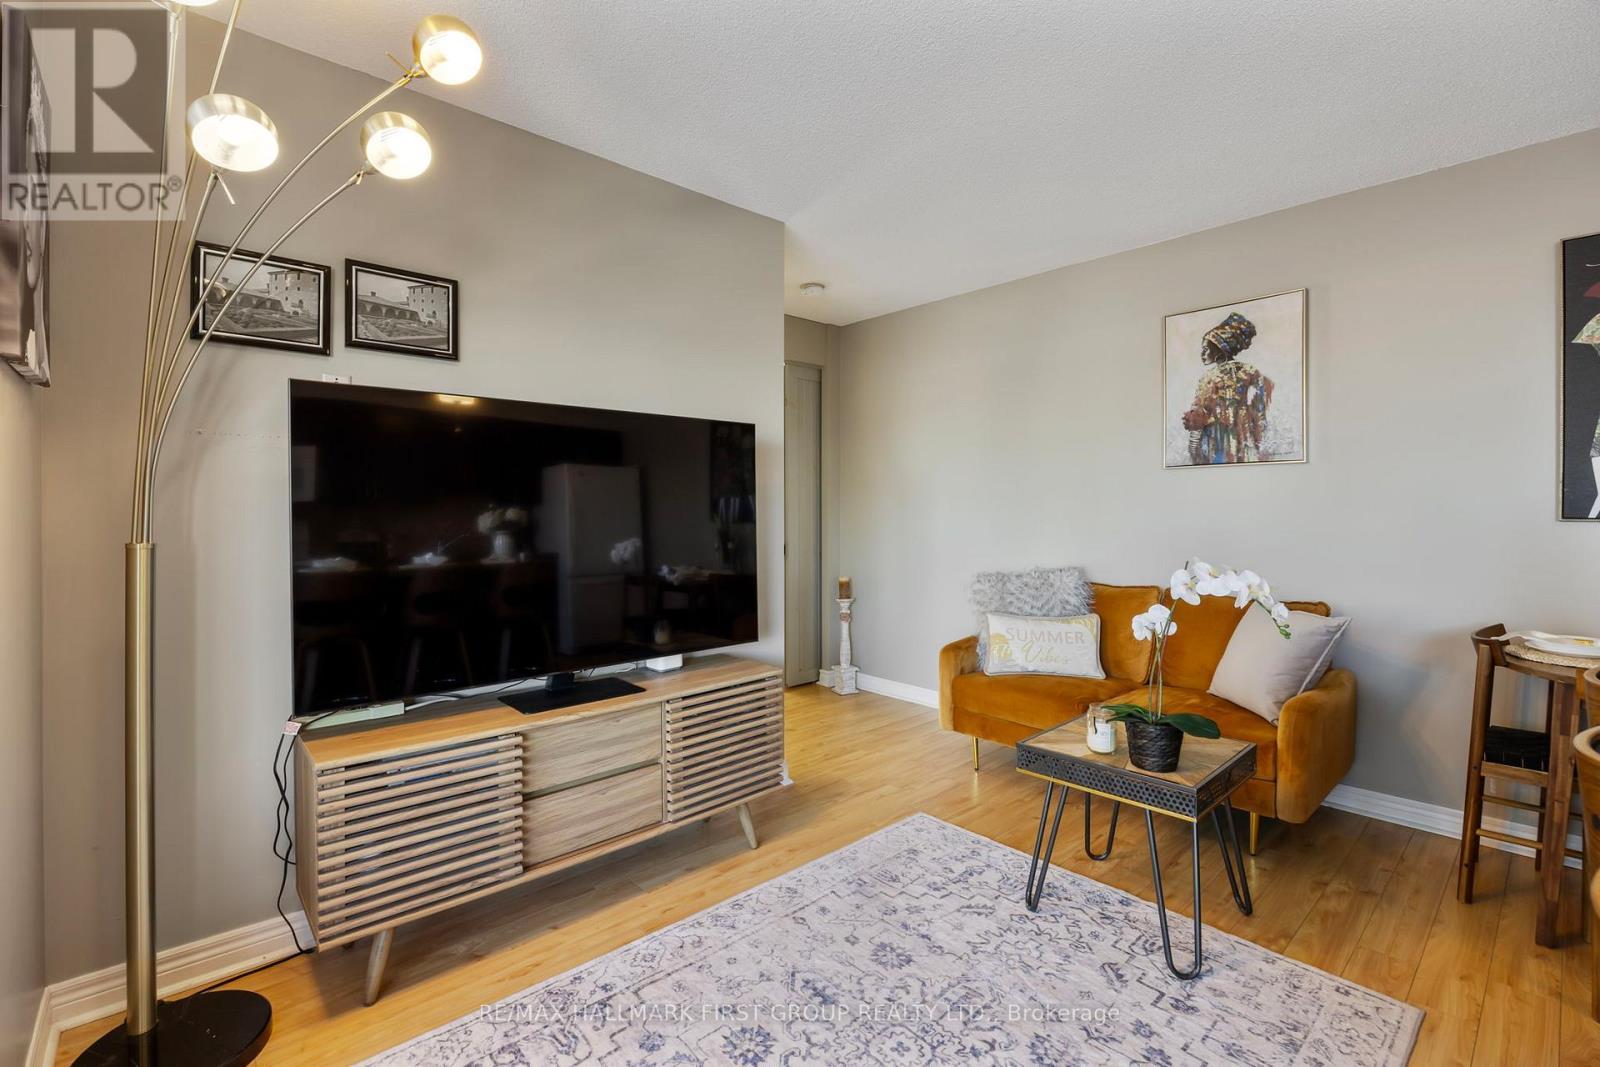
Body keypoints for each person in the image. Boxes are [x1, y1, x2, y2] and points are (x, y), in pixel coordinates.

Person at [1183, 312, 1273, 464]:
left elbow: (1199, 408)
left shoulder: (1209, 377)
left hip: (1218, 432)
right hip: (1237, 430)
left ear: (1219, 350)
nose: (1202, 353)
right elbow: (1266, 386)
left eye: (1206, 349)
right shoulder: (1247, 370)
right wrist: (1252, 412)